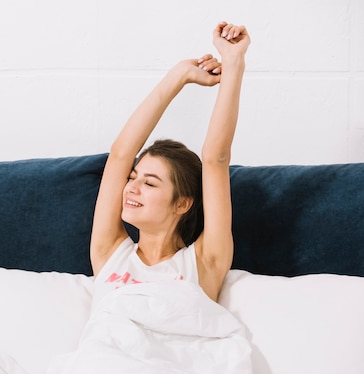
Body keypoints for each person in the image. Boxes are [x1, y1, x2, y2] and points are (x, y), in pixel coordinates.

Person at [90, 22, 250, 303]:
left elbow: (216, 159)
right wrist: (179, 75)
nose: (131, 187)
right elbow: (120, 156)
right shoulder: (109, 253)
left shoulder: (205, 262)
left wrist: (233, 62)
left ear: (182, 203)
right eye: (133, 177)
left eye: (149, 182)